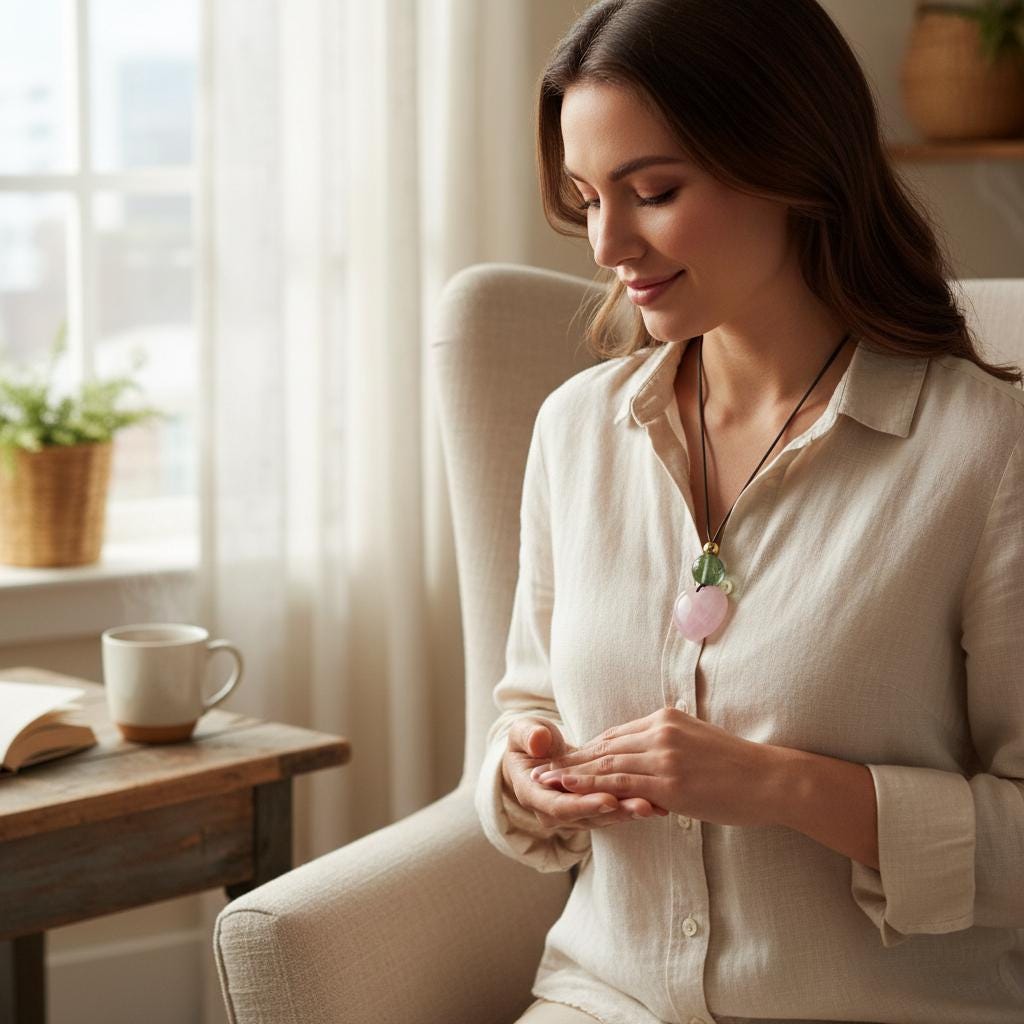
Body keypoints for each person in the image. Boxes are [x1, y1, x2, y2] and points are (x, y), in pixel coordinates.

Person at [473, 1, 1024, 1023]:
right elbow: (529, 706)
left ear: (791, 163)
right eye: (586, 199)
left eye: (653, 192)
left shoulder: (987, 451)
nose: (606, 243)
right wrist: (525, 774)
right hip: (604, 1001)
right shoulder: (575, 431)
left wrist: (782, 786)